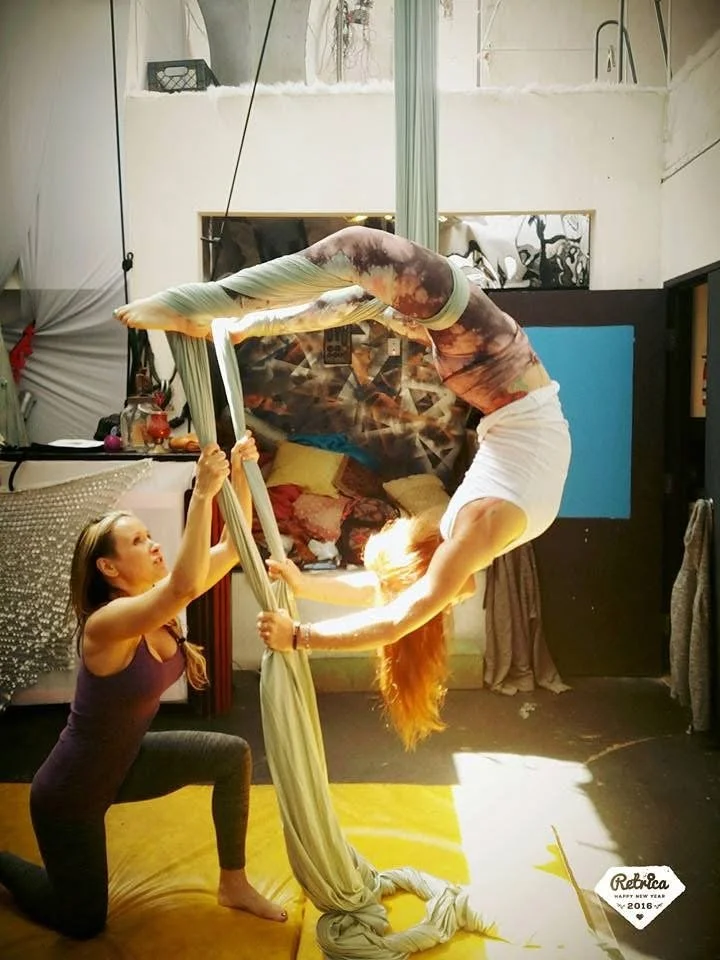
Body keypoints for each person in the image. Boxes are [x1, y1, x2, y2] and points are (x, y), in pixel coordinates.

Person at [114, 225, 571, 746]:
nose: (406, 525)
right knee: (358, 250)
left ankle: (233, 326)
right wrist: (303, 639)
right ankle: (198, 308)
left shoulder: (461, 553)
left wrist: (304, 589)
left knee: (367, 298)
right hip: (501, 368)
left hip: (495, 384)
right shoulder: (473, 532)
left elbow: (386, 597)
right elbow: (399, 615)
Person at [0, 434, 288, 939]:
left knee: (230, 754)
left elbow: (227, 548)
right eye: (137, 541)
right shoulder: (105, 625)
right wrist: (201, 494)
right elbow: (183, 583)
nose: (153, 543)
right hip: (72, 793)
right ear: (107, 568)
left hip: (127, 762)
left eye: (147, 534)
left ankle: (234, 883)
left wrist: (237, 476)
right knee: (82, 921)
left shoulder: (158, 602)